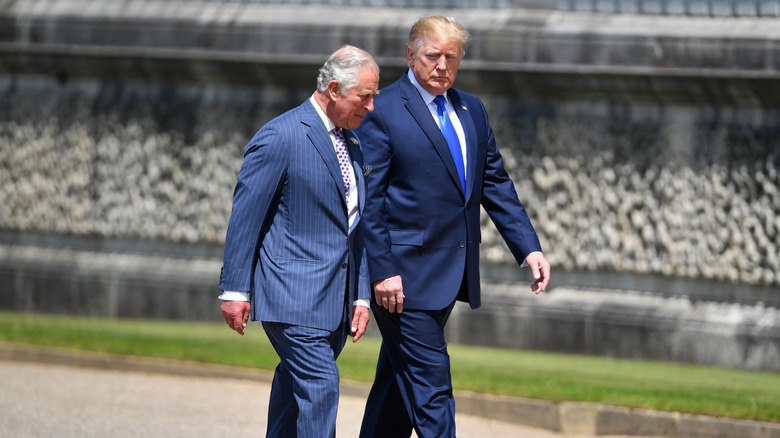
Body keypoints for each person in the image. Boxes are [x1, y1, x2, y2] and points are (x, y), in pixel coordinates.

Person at [354, 16, 551, 437]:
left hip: (451, 272)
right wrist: (383, 269)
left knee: (396, 385)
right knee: (432, 390)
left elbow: (494, 182)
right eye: (432, 56)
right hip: (402, 281)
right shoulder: (383, 109)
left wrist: (528, 248)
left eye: (452, 57)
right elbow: (368, 201)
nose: (442, 65)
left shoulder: (472, 109)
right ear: (410, 55)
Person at [217, 45, 379, 438]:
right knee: (321, 386)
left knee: (294, 393)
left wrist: (359, 295)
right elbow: (246, 218)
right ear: (335, 89)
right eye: (365, 96)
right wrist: (234, 289)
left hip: (334, 301)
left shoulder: (352, 142)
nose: (372, 107)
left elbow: (354, 225)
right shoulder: (280, 135)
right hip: (292, 298)